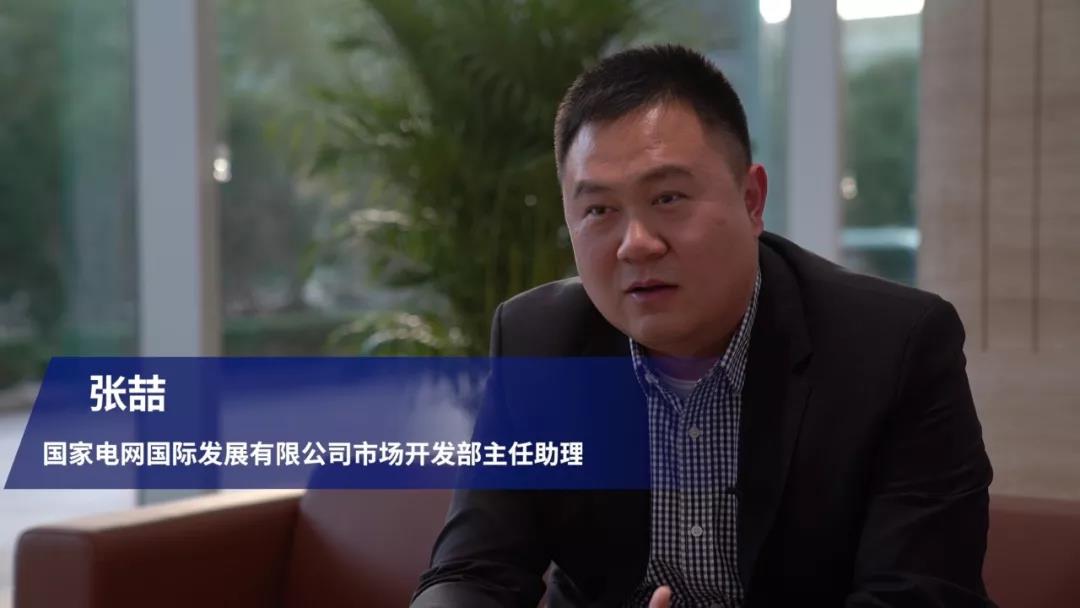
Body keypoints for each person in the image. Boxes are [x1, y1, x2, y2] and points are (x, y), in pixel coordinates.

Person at [411, 44, 994, 607]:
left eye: (668, 198)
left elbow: (917, 594)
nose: (636, 244)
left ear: (752, 199)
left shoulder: (894, 346)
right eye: (599, 210)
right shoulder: (538, 343)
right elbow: (473, 570)